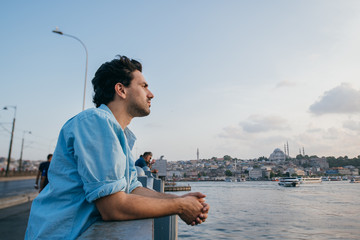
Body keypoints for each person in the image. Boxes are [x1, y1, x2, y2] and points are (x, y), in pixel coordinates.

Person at [25, 55, 209, 239]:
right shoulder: (95, 122)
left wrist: (180, 199)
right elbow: (113, 207)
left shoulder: (119, 134)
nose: (151, 94)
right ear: (121, 89)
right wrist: (181, 207)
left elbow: (133, 189)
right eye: (144, 86)